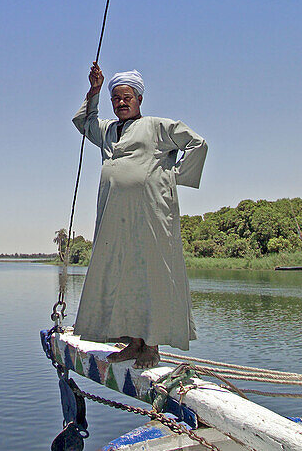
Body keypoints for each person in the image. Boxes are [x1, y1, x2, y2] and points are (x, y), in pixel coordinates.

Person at [71, 62, 208, 369]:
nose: (121, 102)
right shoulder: (107, 131)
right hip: (115, 219)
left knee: (152, 276)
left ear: (139, 99)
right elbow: (83, 121)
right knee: (123, 275)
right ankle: (134, 343)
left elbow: (197, 143)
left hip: (151, 216)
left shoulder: (158, 127)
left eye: (126, 97)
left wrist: (173, 175)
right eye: (115, 98)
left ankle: (152, 346)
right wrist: (94, 90)